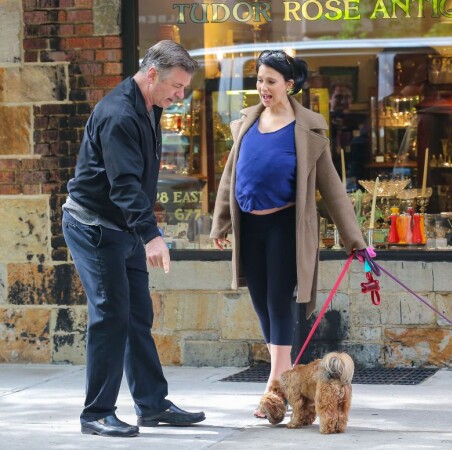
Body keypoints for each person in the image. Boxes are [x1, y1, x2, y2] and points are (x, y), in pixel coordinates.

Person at [210, 50, 366, 418]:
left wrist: (354, 239)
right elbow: (230, 177)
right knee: (261, 300)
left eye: (270, 81)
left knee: (279, 300)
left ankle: (274, 386)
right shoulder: (247, 122)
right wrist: (221, 222)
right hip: (250, 225)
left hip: (285, 226)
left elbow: (333, 189)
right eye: (260, 80)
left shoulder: (307, 129)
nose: (263, 87)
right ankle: (286, 380)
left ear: (289, 84)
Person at [62, 40, 206, 437]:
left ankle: (152, 404)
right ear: (153, 73)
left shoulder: (150, 106)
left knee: (137, 314)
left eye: (184, 88)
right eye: (177, 86)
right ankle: (96, 413)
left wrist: (140, 231)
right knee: (111, 314)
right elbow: (123, 184)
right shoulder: (120, 113)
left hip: (120, 227)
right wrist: (152, 235)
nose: (180, 95)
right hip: (93, 227)